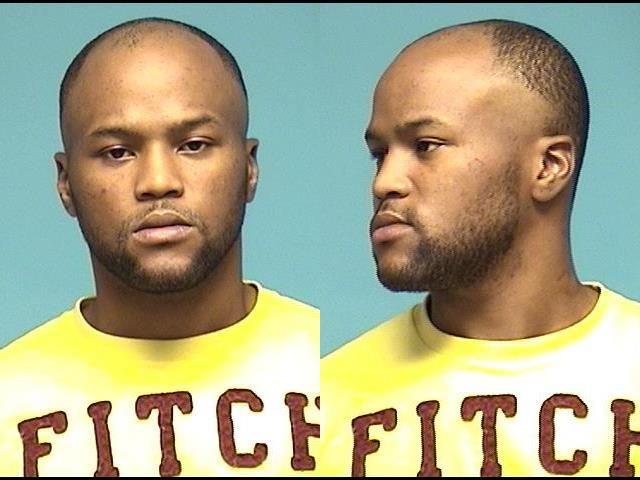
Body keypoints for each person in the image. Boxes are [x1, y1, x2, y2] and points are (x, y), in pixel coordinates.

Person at [0, 17, 319, 477]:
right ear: (66, 183)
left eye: (193, 145)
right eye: (117, 152)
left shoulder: (340, 369)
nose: (158, 182)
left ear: (249, 168)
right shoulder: (9, 399)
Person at [320, 18, 640, 476]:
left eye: (426, 145)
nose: (385, 182)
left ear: (549, 167)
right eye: (380, 154)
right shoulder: (322, 409)